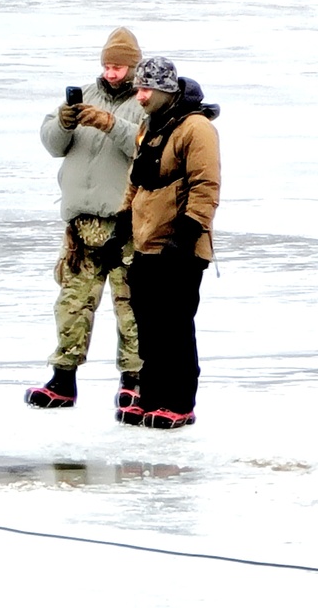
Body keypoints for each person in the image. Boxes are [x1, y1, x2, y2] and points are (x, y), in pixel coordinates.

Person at [25, 27, 146, 410]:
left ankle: (134, 380)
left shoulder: (145, 102)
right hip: (81, 225)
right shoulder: (85, 96)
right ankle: (63, 380)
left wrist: (110, 124)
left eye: (119, 67)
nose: (112, 73)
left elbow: (147, 147)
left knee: (131, 305)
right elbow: (52, 145)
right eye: (108, 66)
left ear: (133, 68)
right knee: (73, 303)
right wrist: (64, 122)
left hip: (125, 224)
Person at [113, 57, 220, 429]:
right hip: (146, 243)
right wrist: (122, 225)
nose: (139, 96)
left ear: (164, 90)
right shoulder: (150, 126)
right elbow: (136, 180)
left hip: (180, 247)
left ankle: (179, 402)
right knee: (148, 324)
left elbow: (206, 186)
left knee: (174, 325)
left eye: (145, 89)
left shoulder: (196, 128)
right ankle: (152, 396)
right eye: (137, 89)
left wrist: (187, 234)